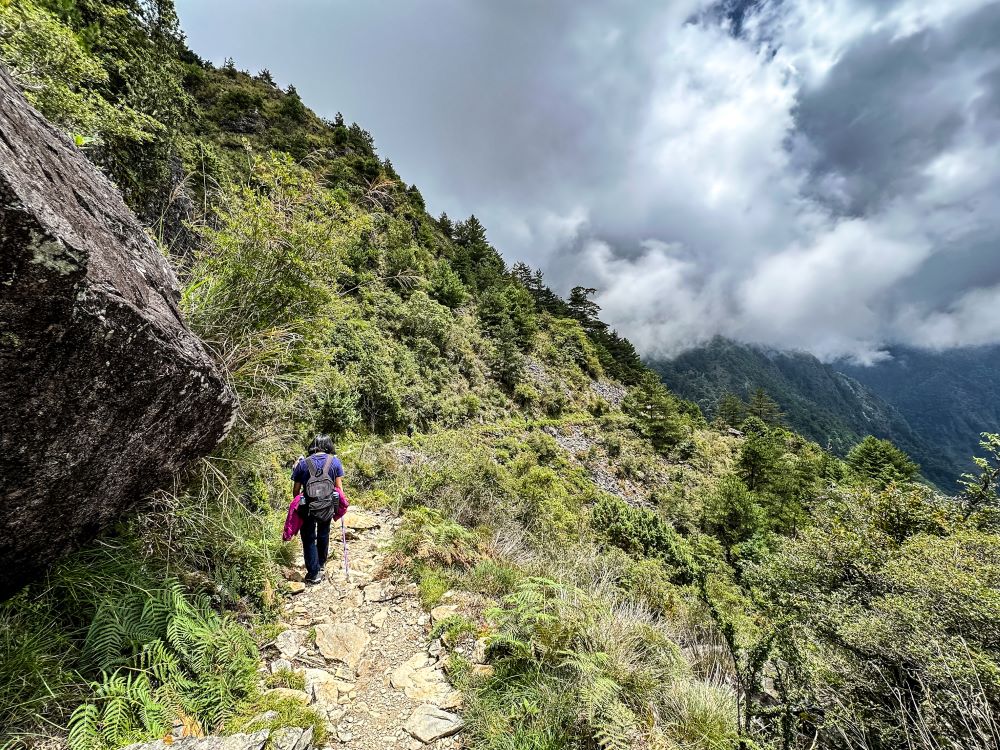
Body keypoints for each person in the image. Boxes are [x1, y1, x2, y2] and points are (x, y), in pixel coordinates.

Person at [291, 434, 345, 584]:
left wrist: (300, 500)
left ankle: (313, 574)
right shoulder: (334, 462)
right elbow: (339, 488)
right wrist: (341, 506)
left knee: (308, 537)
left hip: (307, 506)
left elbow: (295, 491)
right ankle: (321, 564)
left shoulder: (303, 464)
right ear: (328, 446)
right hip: (327, 506)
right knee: (323, 533)